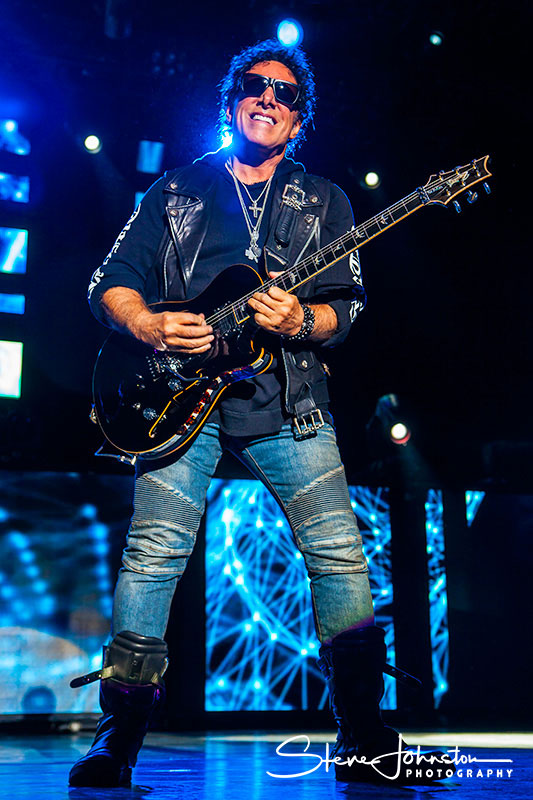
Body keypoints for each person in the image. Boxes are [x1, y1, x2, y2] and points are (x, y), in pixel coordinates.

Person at [69, 39, 453, 787]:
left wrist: (301, 319)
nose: (268, 98)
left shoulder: (326, 201)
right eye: (254, 86)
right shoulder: (176, 190)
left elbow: (344, 311)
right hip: (179, 401)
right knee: (153, 553)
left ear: (299, 119)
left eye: (285, 94)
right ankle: (117, 739)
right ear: (231, 100)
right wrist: (147, 324)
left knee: (338, 555)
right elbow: (108, 282)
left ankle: (366, 739)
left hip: (290, 401)